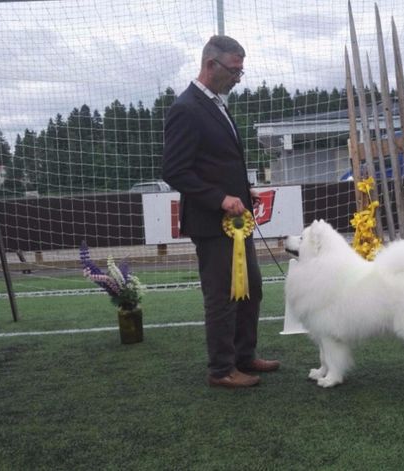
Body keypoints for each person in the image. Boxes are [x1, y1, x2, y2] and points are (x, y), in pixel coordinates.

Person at [162, 35, 279, 388]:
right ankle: (222, 370)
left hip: (235, 219)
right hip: (213, 223)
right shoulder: (186, 108)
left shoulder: (216, 103)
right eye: (234, 70)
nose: (238, 78)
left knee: (251, 288)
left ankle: (245, 357)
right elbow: (175, 170)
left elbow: (217, 161)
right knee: (223, 296)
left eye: (241, 71)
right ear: (211, 65)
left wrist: (244, 192)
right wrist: (220, 199)